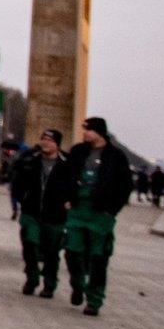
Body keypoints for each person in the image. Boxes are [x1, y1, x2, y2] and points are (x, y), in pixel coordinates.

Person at [53, 117, 132, 315]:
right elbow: (63, 175)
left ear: (99, 132)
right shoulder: (78, 151)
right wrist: (66, 198)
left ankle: (94, 300)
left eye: (88, 130)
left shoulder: (116, 156)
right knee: (72, 250)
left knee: (99, 258)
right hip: (78, 208)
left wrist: (112, 210)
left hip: (100, 213)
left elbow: (125, 185)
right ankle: (78, 285)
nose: (84, 133)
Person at [13, 129, 66, 296]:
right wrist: (22, 198)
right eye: (43, 138)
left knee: (51, 252)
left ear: (57, 144)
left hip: (55, 215)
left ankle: (49, 283)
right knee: (30, 243)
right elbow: (17, 180)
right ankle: (32, 277)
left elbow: (73, 186)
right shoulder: (30, 159)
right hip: (31, 211)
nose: (45, 142)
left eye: (50, 140)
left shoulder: (67, 164)